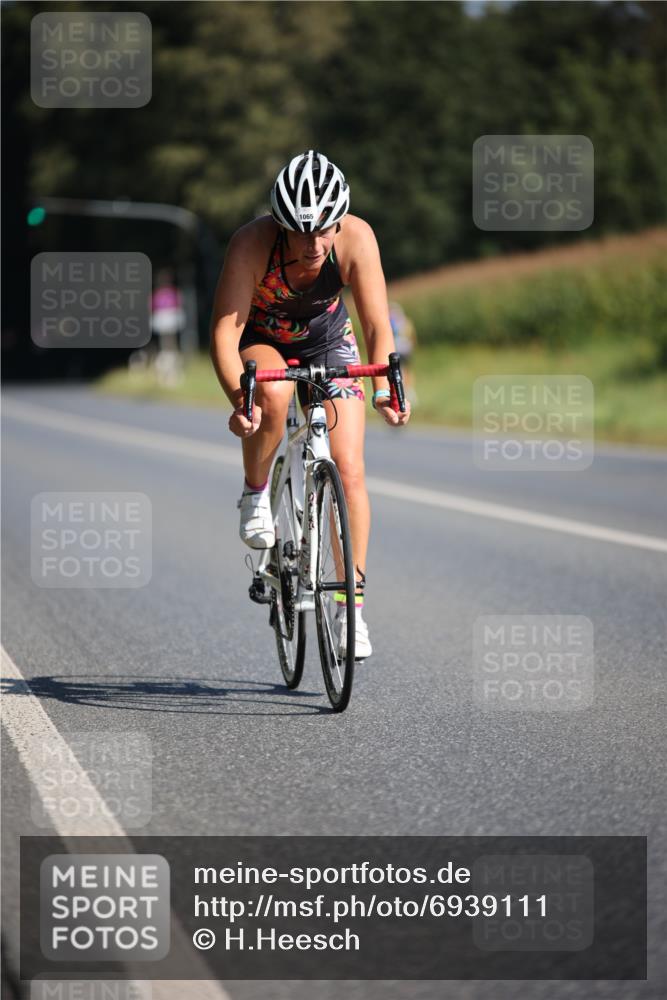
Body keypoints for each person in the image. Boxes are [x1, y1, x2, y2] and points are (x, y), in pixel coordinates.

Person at [210, 150, 410, 659]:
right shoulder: (251, 244)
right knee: (273, 395)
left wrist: (385, 389)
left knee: (350, 469)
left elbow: (376, 325)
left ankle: (350, 609)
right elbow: (224, 335)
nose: (314, 244)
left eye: (323, 230)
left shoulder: (357, 238)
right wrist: (241, 400)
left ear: (339, 221)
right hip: (262, 341)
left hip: (328, 341)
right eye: (300, 233)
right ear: (279, 226)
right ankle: (256, 492)